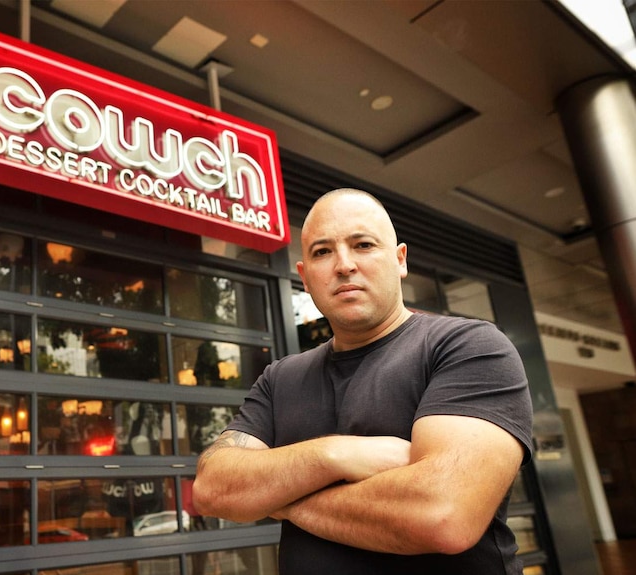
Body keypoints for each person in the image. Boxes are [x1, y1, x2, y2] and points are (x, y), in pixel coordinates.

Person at [192, 189, 533, 574]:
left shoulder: (467, 346)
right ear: (304, 277)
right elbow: (212, 489)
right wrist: (336, 455)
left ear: (400, 259)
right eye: (322, 252)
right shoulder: (280, 377)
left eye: (363, 244)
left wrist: (277, 497)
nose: (344, 265)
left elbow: (442, 515)